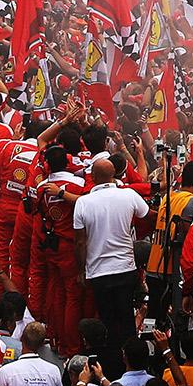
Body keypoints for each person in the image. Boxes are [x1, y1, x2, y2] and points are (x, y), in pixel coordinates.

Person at [72, 153, 152, 358]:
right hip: (126, 269)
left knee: (107, 319)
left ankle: (111, 361)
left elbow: (80, 242)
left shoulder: (83, 203)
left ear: (93, 177)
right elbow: (147, 214)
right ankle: (131, 361)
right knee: (126, 317)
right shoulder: (128, 195)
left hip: (98, 272)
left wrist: (81, 271)